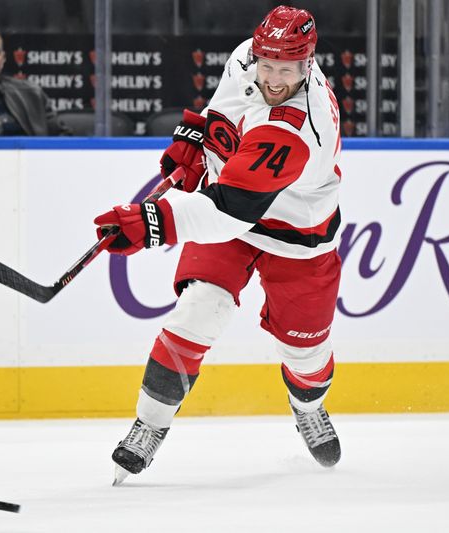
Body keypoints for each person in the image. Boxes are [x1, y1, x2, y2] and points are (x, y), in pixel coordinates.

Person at [93, 5, 344, 485]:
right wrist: (194, 145)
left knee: (306, 355)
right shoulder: (248, 56)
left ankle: (308, 405)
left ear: (308, 63)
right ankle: (149, 425)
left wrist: (149, 223)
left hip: (296, 234)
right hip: (234, 214)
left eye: (286, 69)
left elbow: (226, 210)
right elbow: (224, 113)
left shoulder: (299, 128)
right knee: (198, 311)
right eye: (267, 64)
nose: (272, 77)